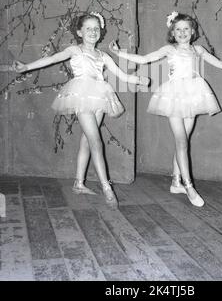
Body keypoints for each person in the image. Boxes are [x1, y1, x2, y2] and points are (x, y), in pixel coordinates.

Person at [109, 11, 222, 207]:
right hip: (173, 96)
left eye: (186, 29)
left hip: (194, 95)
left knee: (183, 141)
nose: (182, 32)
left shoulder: (199, 50)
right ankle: (188, 186)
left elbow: (221, 65)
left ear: (192, 31)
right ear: (172, 32)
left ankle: (175, 182)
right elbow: (145, 59)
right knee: (181, 142)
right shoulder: (169, 49)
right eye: (178, 29)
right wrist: (120, 53)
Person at [14, 12, 149, 209]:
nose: (93, 32)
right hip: (80, 95)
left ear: (100, 32)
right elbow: (51, 59)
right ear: (80, 32)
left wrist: (139, 79)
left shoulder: (103, 56)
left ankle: (79, 183)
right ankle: (107, 187)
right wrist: (26, 66)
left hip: (100, 95)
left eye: (96, 28)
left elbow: (123, 76)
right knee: (95, 141)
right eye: (88, 28)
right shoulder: (74, 50)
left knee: (87, 141)